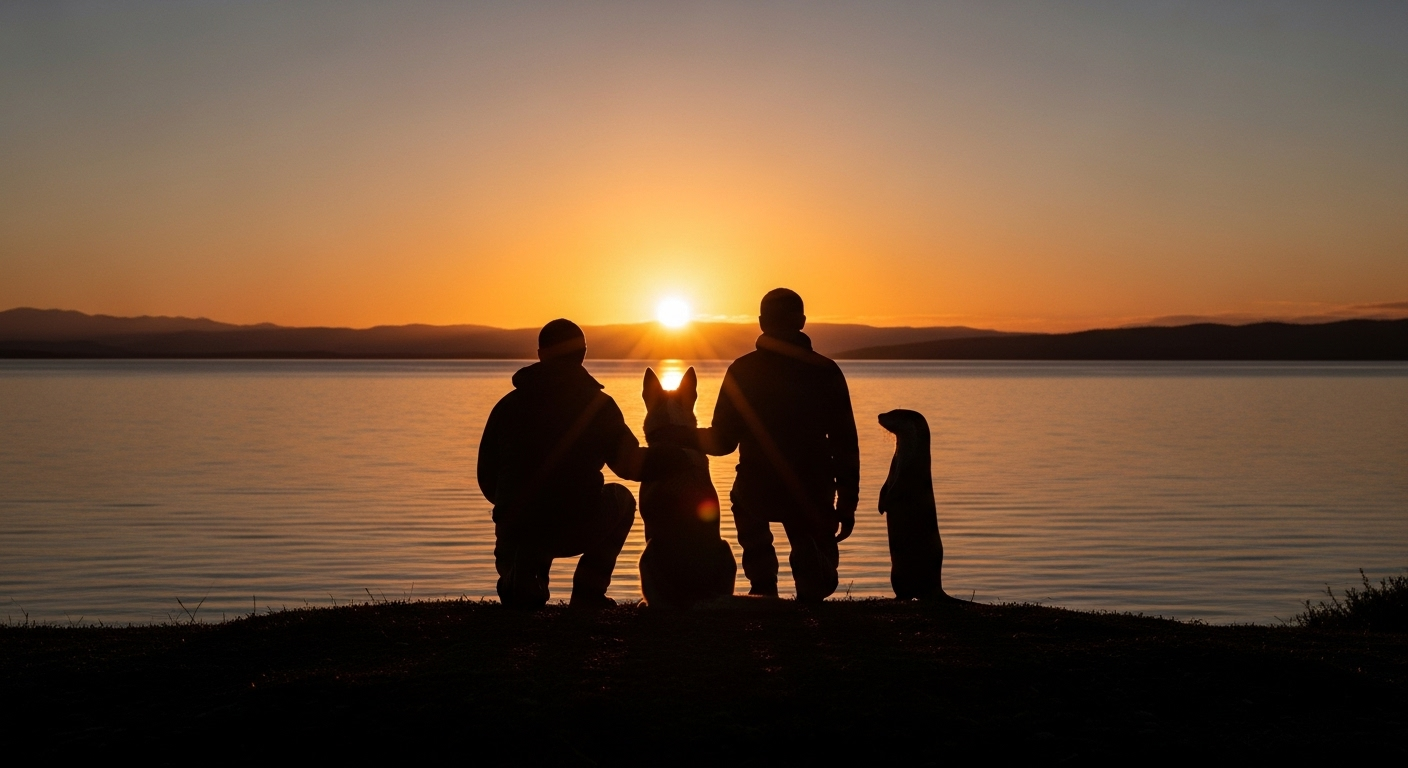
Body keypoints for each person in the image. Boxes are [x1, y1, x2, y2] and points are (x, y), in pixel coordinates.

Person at [660, 289, 860, 601]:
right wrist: (847, 503)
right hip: (813, 489)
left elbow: (723, 442)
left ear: (762, 322)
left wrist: (679, 434)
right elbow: (845, 443)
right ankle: (811, 576)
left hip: (758, 486)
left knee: (744, 500)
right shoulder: (826, 370)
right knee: (815, 571)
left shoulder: (742, 371)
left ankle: (763, 585)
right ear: (802, 321)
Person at [477, 319, 685, 609]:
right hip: (571, 525)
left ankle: (523, 575)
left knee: (528, 514)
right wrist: (677, 457)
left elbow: (487, 477)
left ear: (541, 354)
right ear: (583, 354)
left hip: (513, 529)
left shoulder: (507, 406)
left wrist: (516, 505)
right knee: (622, 499)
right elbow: (630, 466)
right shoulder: (599, 407)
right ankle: (588, 592)